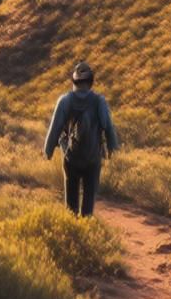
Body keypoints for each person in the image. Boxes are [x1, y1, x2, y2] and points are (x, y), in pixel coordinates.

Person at [43, 59, 118, 217]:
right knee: (88, 201)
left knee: (71, 204)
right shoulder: (99, 101)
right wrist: (113, 149)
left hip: (71, 158)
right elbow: (108, 126)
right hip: (93, 159)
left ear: (74, 81)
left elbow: (55, 128)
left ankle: (72, 230)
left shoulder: (65, 101)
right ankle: (86, 225)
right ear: (91, 81)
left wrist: (48, 150)